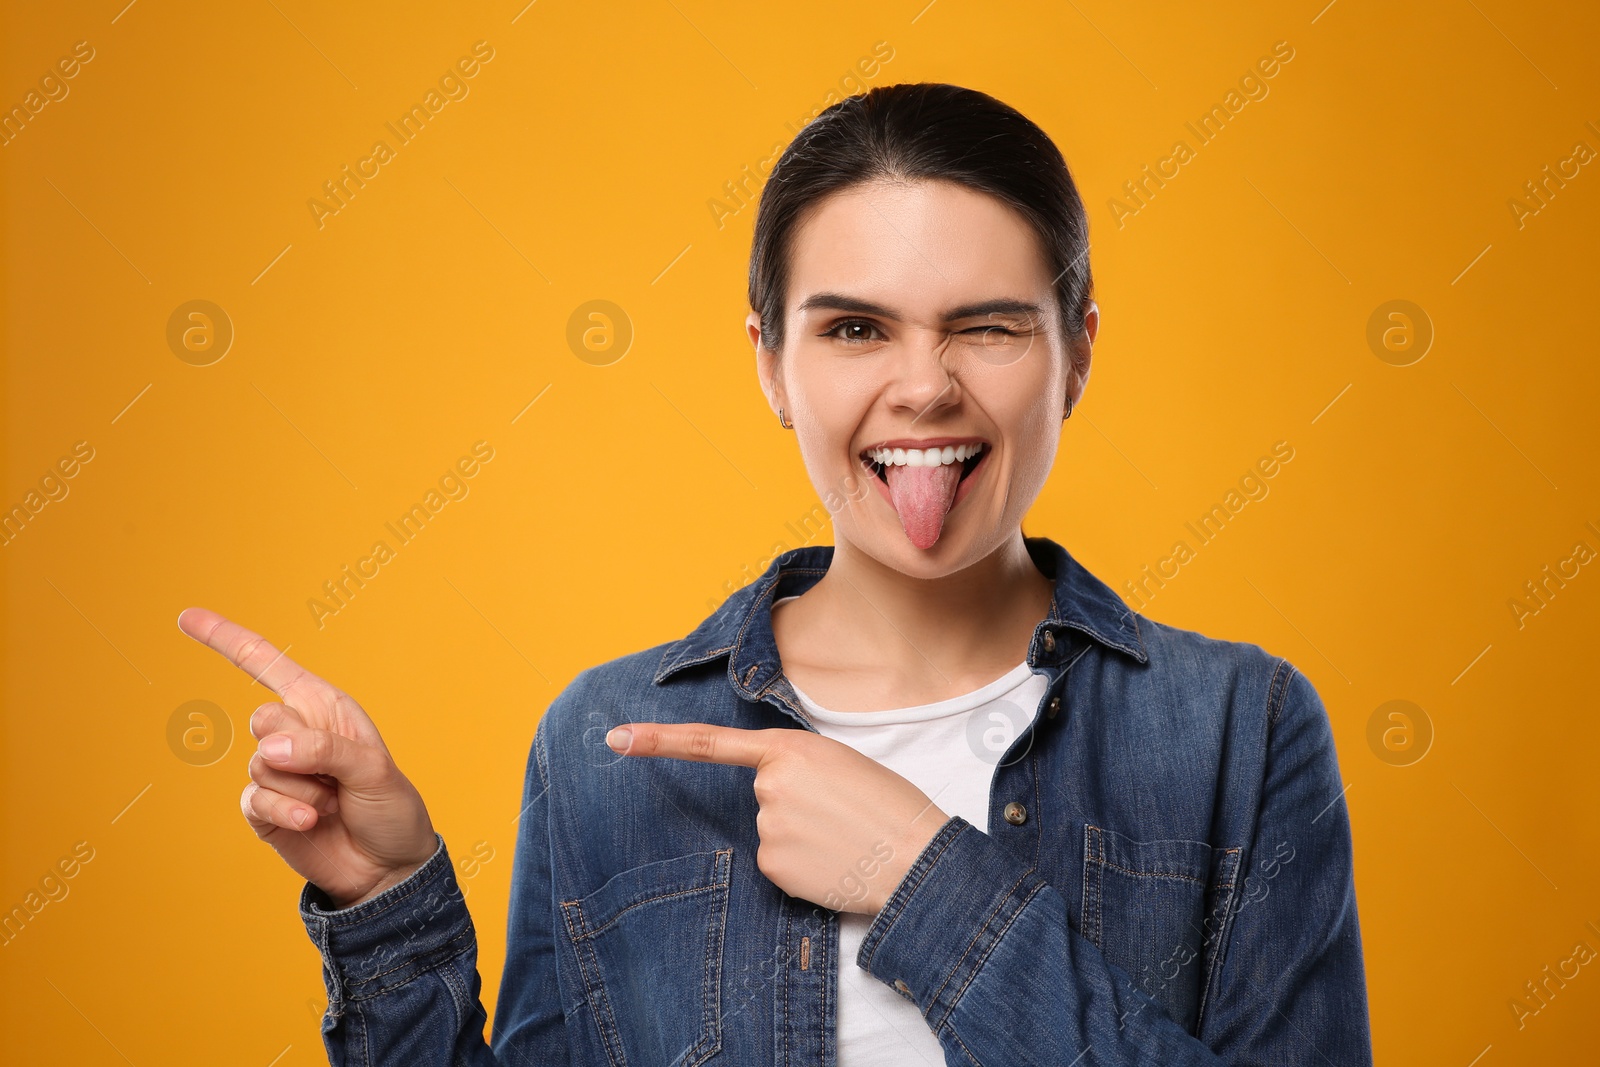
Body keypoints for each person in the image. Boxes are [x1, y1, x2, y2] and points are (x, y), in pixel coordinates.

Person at [178, 82, 1372, 1065]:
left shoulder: (1236, 729)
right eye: (855, 328)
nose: (924, 386)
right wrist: (388, 901)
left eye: (989, 326)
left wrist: (922, 880)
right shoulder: (607, 743)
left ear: (1076, 355)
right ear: (769, 362)